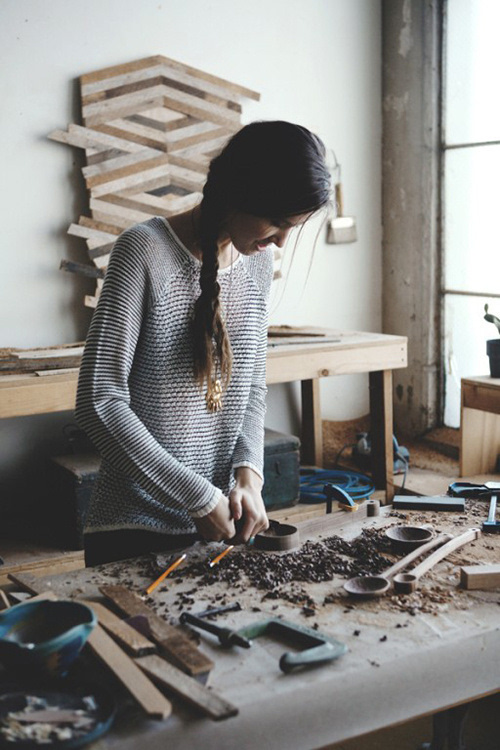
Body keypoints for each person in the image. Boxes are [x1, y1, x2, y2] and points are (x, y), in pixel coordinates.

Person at [75, 120, 331, 566]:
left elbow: (251, 385)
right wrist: (195, 495)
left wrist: (249, 476)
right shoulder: (143, 251)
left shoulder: (255, 265)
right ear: (239, 193)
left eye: (294, 227)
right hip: (132, 529)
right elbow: (99, 401)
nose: (282, 242)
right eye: (276, 222)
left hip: (217, 527)